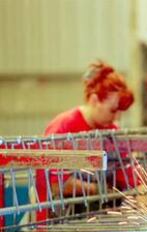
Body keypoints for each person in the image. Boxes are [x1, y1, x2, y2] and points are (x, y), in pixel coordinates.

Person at [44, 60, 135, 196]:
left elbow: (128, 176)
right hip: (60, 211)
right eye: (113, 110)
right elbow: (55, 184)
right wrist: (96, 190)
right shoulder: (62, 129)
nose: (117, 118)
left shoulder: (112, 133)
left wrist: (140, 192)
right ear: (94, 100)